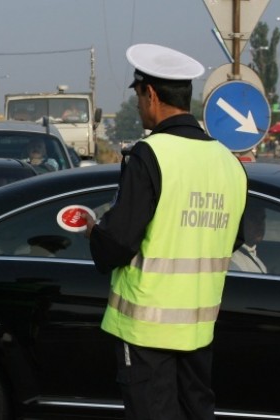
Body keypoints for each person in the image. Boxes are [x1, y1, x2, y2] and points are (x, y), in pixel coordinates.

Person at [82, 44, 247, 420]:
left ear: (150, 94)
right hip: (198, 331)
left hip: (146, 333)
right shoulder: (228, 163)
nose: (140, 105)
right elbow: (233, 238)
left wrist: (94, 232)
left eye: (139, 96)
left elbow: (118, 243)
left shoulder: (150, 155)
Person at [230, 201, 267, 273]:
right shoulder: (233, 260)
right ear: (240, 222)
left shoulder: (252, 254)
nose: (259, 224)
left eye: (262, 219)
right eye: (253, 219)